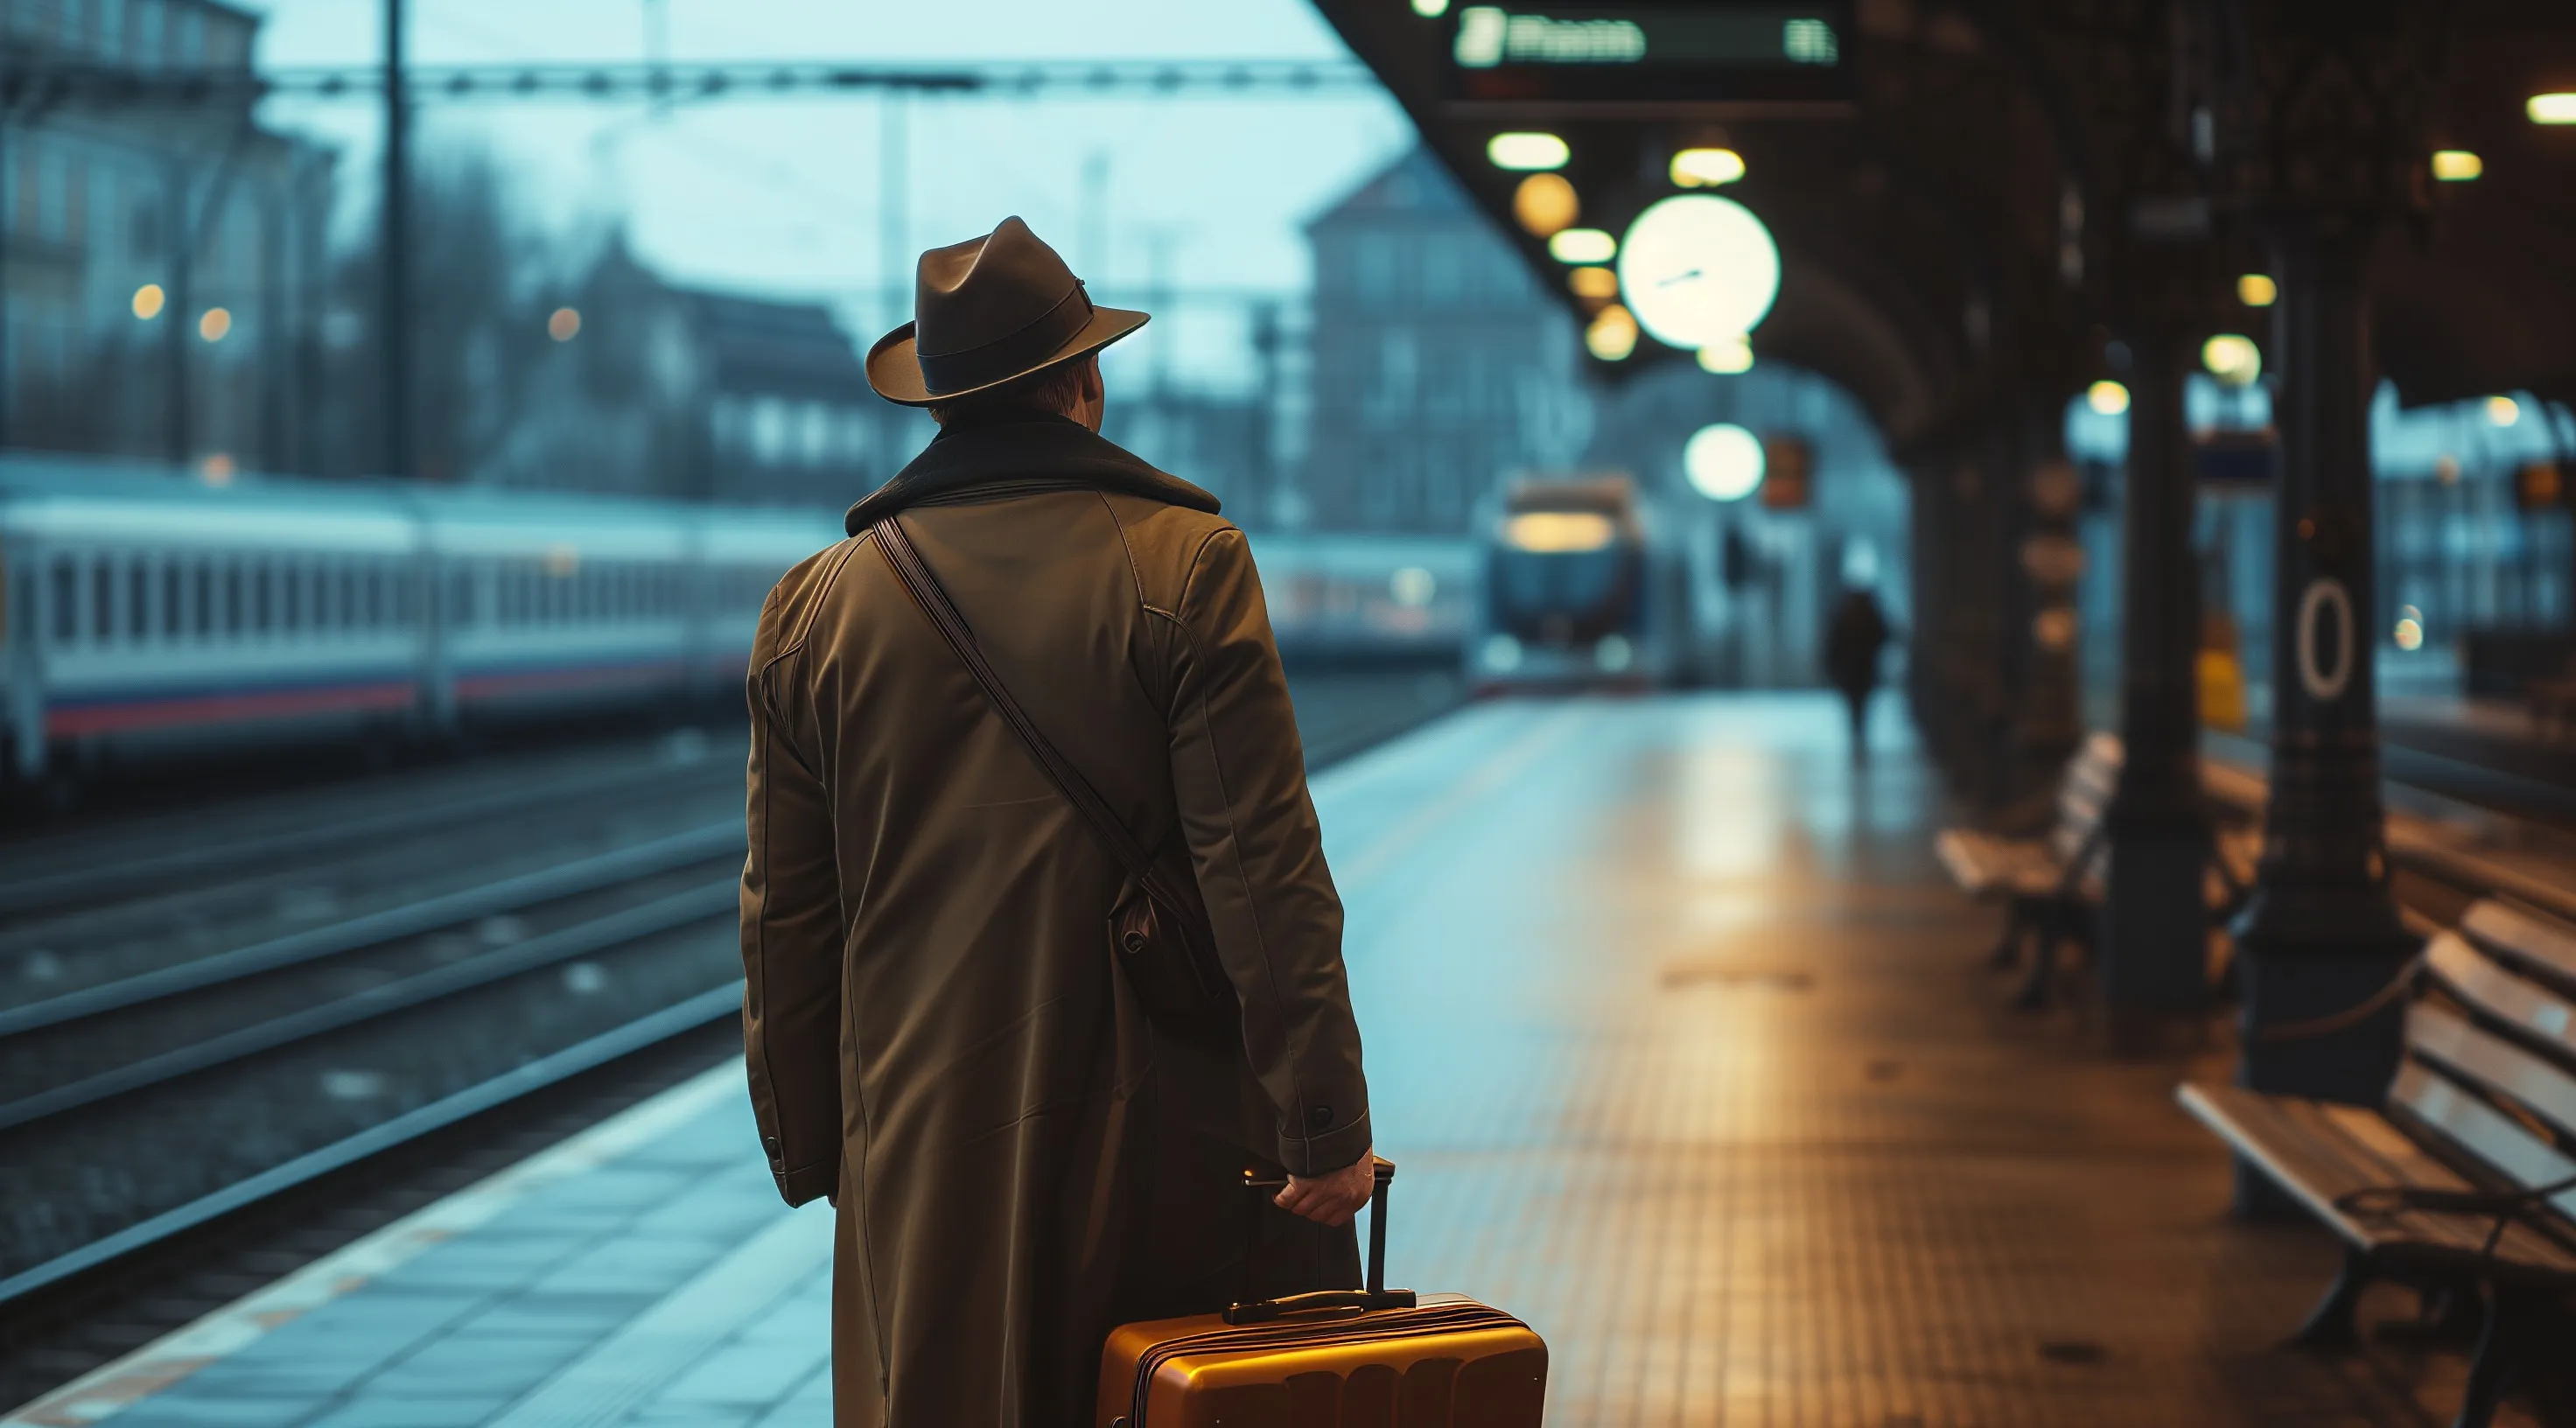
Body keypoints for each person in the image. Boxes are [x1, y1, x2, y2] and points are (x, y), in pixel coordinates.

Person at [738, 216, 1377, 1427]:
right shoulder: (1183, 566)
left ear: (940, 404)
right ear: (1085, 382)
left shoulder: (813, 611)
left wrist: (823, 1150)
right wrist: (1322, 1124)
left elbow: (787, 918)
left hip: (916, 1146)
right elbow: (1264, 872)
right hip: (1155, 1137)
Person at [1824, 582, 1892, 763]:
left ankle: (1858, 732)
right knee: (1858, 703)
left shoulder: (1850, 617)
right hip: (1857, 670)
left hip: (1858, 670)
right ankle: (1858, 732)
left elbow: (1832, 645)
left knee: (1858, 703)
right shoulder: (1854, 617)